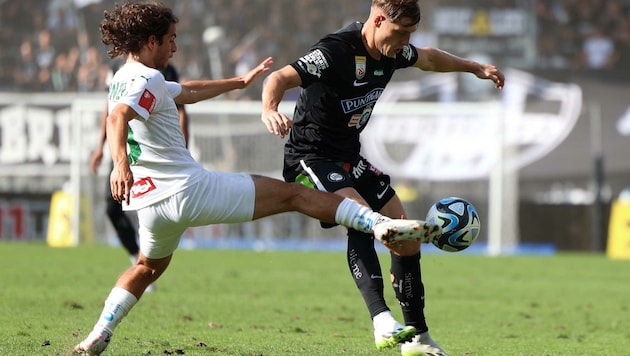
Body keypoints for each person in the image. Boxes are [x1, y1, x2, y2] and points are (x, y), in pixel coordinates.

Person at [72, 2, 442, 355]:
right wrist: (120, 163)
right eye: (170, 38)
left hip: (151, 205)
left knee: (146, 267)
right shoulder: (147, 77)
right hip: (189, 190)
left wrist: (239, 82)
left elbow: (186, 92)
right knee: (293, 195)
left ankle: (98, 334)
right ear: (151, 41)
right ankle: (378, 224)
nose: (175, 46)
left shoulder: (125, 78)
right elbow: (117, 117)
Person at [260, 1, 505, 355]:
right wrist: (269, 109)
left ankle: (418, 338)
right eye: (400, 31)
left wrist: (475, 67)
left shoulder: (393, 51)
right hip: (310, 158)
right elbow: (279, 78)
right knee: (364, 221)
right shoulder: (335, 52)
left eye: (410, 33)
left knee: (404, 233)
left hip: (348, 157)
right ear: (378, 20)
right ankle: (381, 321)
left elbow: (431, 59)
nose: (405, 40)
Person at [89, 61, 189, 294]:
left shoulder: (164, 70)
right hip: (126, 153)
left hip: (158, 154)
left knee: (159, 209)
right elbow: (111, 111)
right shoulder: (117, 69)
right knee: (112, 207)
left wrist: (183, 146)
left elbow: (182, 109)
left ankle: (148, 266)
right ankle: (138, 258)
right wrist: (100, 147)